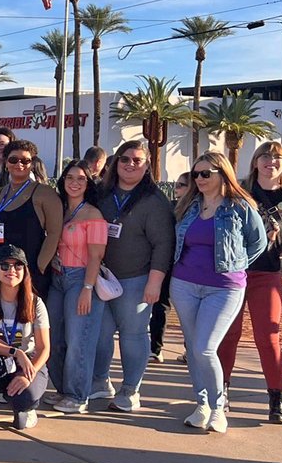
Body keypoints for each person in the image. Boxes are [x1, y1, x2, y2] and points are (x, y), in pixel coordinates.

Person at [171, 151, 266, 433]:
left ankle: (217, 406)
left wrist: (235, 265)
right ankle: (201, 404)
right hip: (184, 284)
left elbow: (258, 243)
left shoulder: (240, 207)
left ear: (222, 174)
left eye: (205, 174)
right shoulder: (189, 205)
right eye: (195, 174)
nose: (199, 179)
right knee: (193, 348)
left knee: (205, 347)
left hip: (224, 288)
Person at [218, 141, 282, 424]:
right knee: (228, 334)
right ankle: (221, 391)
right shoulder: (239, 190)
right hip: (234, 273)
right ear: (255, 161)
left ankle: (276, 398)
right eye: (265, 156)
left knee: (268, 336)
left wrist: (275, 249)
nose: (271, 161)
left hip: (266, 274)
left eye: (278, 157)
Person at [91, 140, 176, 412]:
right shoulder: (102, 193)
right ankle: (100, 381)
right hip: (101, 278)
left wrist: (155, 282)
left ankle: (130, 390)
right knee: (100, 334)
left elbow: (163, 244)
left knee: (132, 335)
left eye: (137, 160)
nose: (130, 165)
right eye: (125, 159)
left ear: (147, 165)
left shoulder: (154, 201)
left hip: (136, 279)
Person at [0, 245, 51, 435]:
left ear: (25, 270)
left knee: (23, 405)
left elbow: (44, 348)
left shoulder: (35, 302)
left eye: (17, 265)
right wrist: (15, 352)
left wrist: (28, 374)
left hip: (27, 361)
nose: (11, 270)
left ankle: (27, 408)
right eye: (4, 265)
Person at [46, 161, 108, 415]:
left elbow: (96, 256)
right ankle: (63, 388)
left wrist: (87, 288)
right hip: (57, 278)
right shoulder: (59, 209)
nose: (75, 182)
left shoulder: (93, 215)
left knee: (78, 340)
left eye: (81, 178)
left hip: (81, 277)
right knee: (53, 336)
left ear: (88, 183)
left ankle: (77, 395)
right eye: (70, 177)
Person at [0, 139, 61, 297]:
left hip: (28, 275)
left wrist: (39, 267)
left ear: (32, 164)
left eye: (25, 160)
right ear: (6, 163)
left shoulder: (45, 194)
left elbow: (54, 233)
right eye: (13, 160)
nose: (19, 164)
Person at [150, 171, 189, 364]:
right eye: (176, 185)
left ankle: (190, 350)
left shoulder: (200, 209)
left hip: (188, 265)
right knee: (160, 306)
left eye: (181, 185)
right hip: (167, 262)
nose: (177, 188)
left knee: (188, 310)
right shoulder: (170, 208)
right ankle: (155, 348)